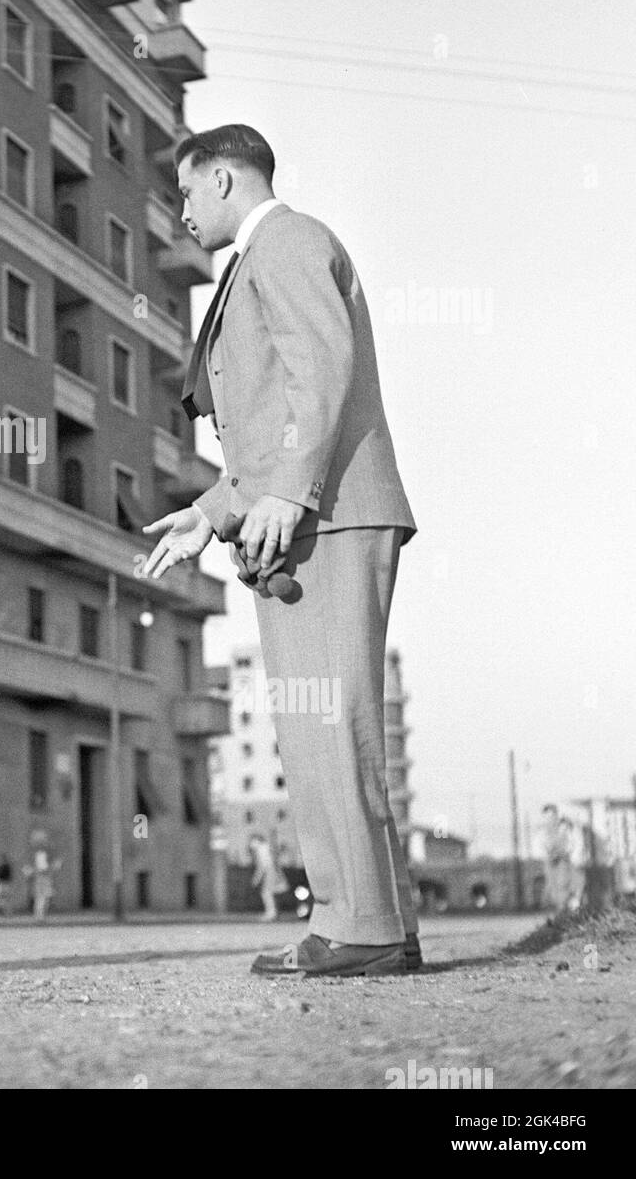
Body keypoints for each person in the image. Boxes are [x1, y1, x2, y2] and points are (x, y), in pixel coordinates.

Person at [143, 125, 420, 978]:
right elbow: (274, 422)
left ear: (224, 178)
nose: (181, 211)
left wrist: (287, 494)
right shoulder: (264, 256)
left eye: (187, 192)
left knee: (330, 723)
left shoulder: (288, 240)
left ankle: (362, 928)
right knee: (317, 726)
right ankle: (373, 920)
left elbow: (321, 372)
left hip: (329, 514)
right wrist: (212, 510)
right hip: (309, 509)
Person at [23, 830, 60, 921]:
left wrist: (52, 868)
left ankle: (40, 916)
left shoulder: (46, 853)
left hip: (44, 877)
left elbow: (55, 864)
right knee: (41, 897)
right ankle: (39, 916)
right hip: (40, 877)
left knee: (44, 897)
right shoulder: (36, 854)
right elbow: (29, 868)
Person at [249, 834, 285, 922]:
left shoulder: (261, 848)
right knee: (269, 893)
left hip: (270, 871)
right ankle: (272, 913)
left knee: (266, 893)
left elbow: (263, 865)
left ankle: (271, 914)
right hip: (272, 871)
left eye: (252, 841)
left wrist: (257, 878)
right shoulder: (265, 847)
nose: (250, 844)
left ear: (257, 840)